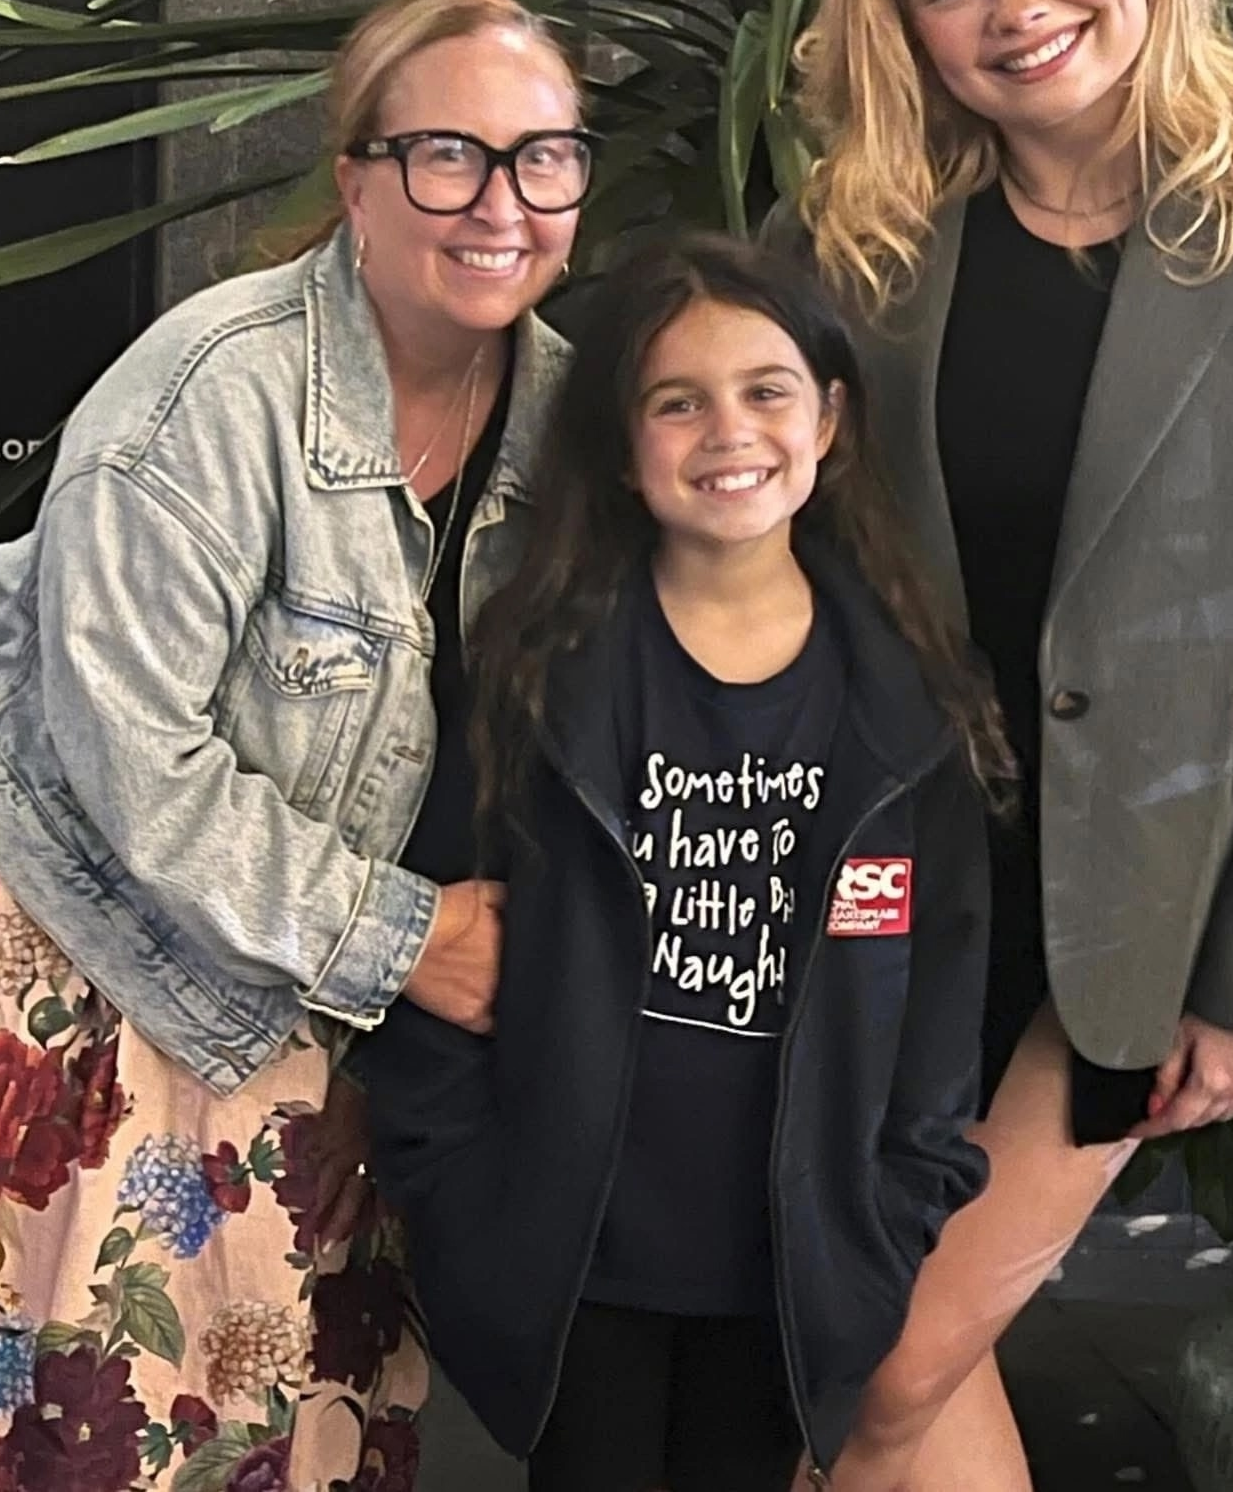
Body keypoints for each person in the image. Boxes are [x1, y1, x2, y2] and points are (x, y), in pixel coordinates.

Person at [760, 0, 1233, 1491]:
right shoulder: (855, 241)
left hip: (1134, 908)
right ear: (900, 24)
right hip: (878, 894)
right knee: (882, 1351)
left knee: (881, 1360)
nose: (1016, 5)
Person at [0, 0, 590, 1490]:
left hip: (336, 989)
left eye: (544, 156)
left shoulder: (576, 416)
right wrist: (406, 941)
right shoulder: (206, 397)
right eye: (448, 155)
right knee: (99, 1433)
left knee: (295, 1425)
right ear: (357, 177)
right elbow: (137, 770)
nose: (500, 203)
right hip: (104, 962)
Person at [357, 231, 1008, 1492]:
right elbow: (436, 935)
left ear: (829, 422)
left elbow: (942, 995)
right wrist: (463, 1196)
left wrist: (889, 1217)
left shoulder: (909, 710)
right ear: (620, 445)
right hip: (571, 1261)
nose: (729, 432)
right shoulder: (530, 677)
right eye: (678, 402)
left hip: (789, 1270)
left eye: (766, 391)